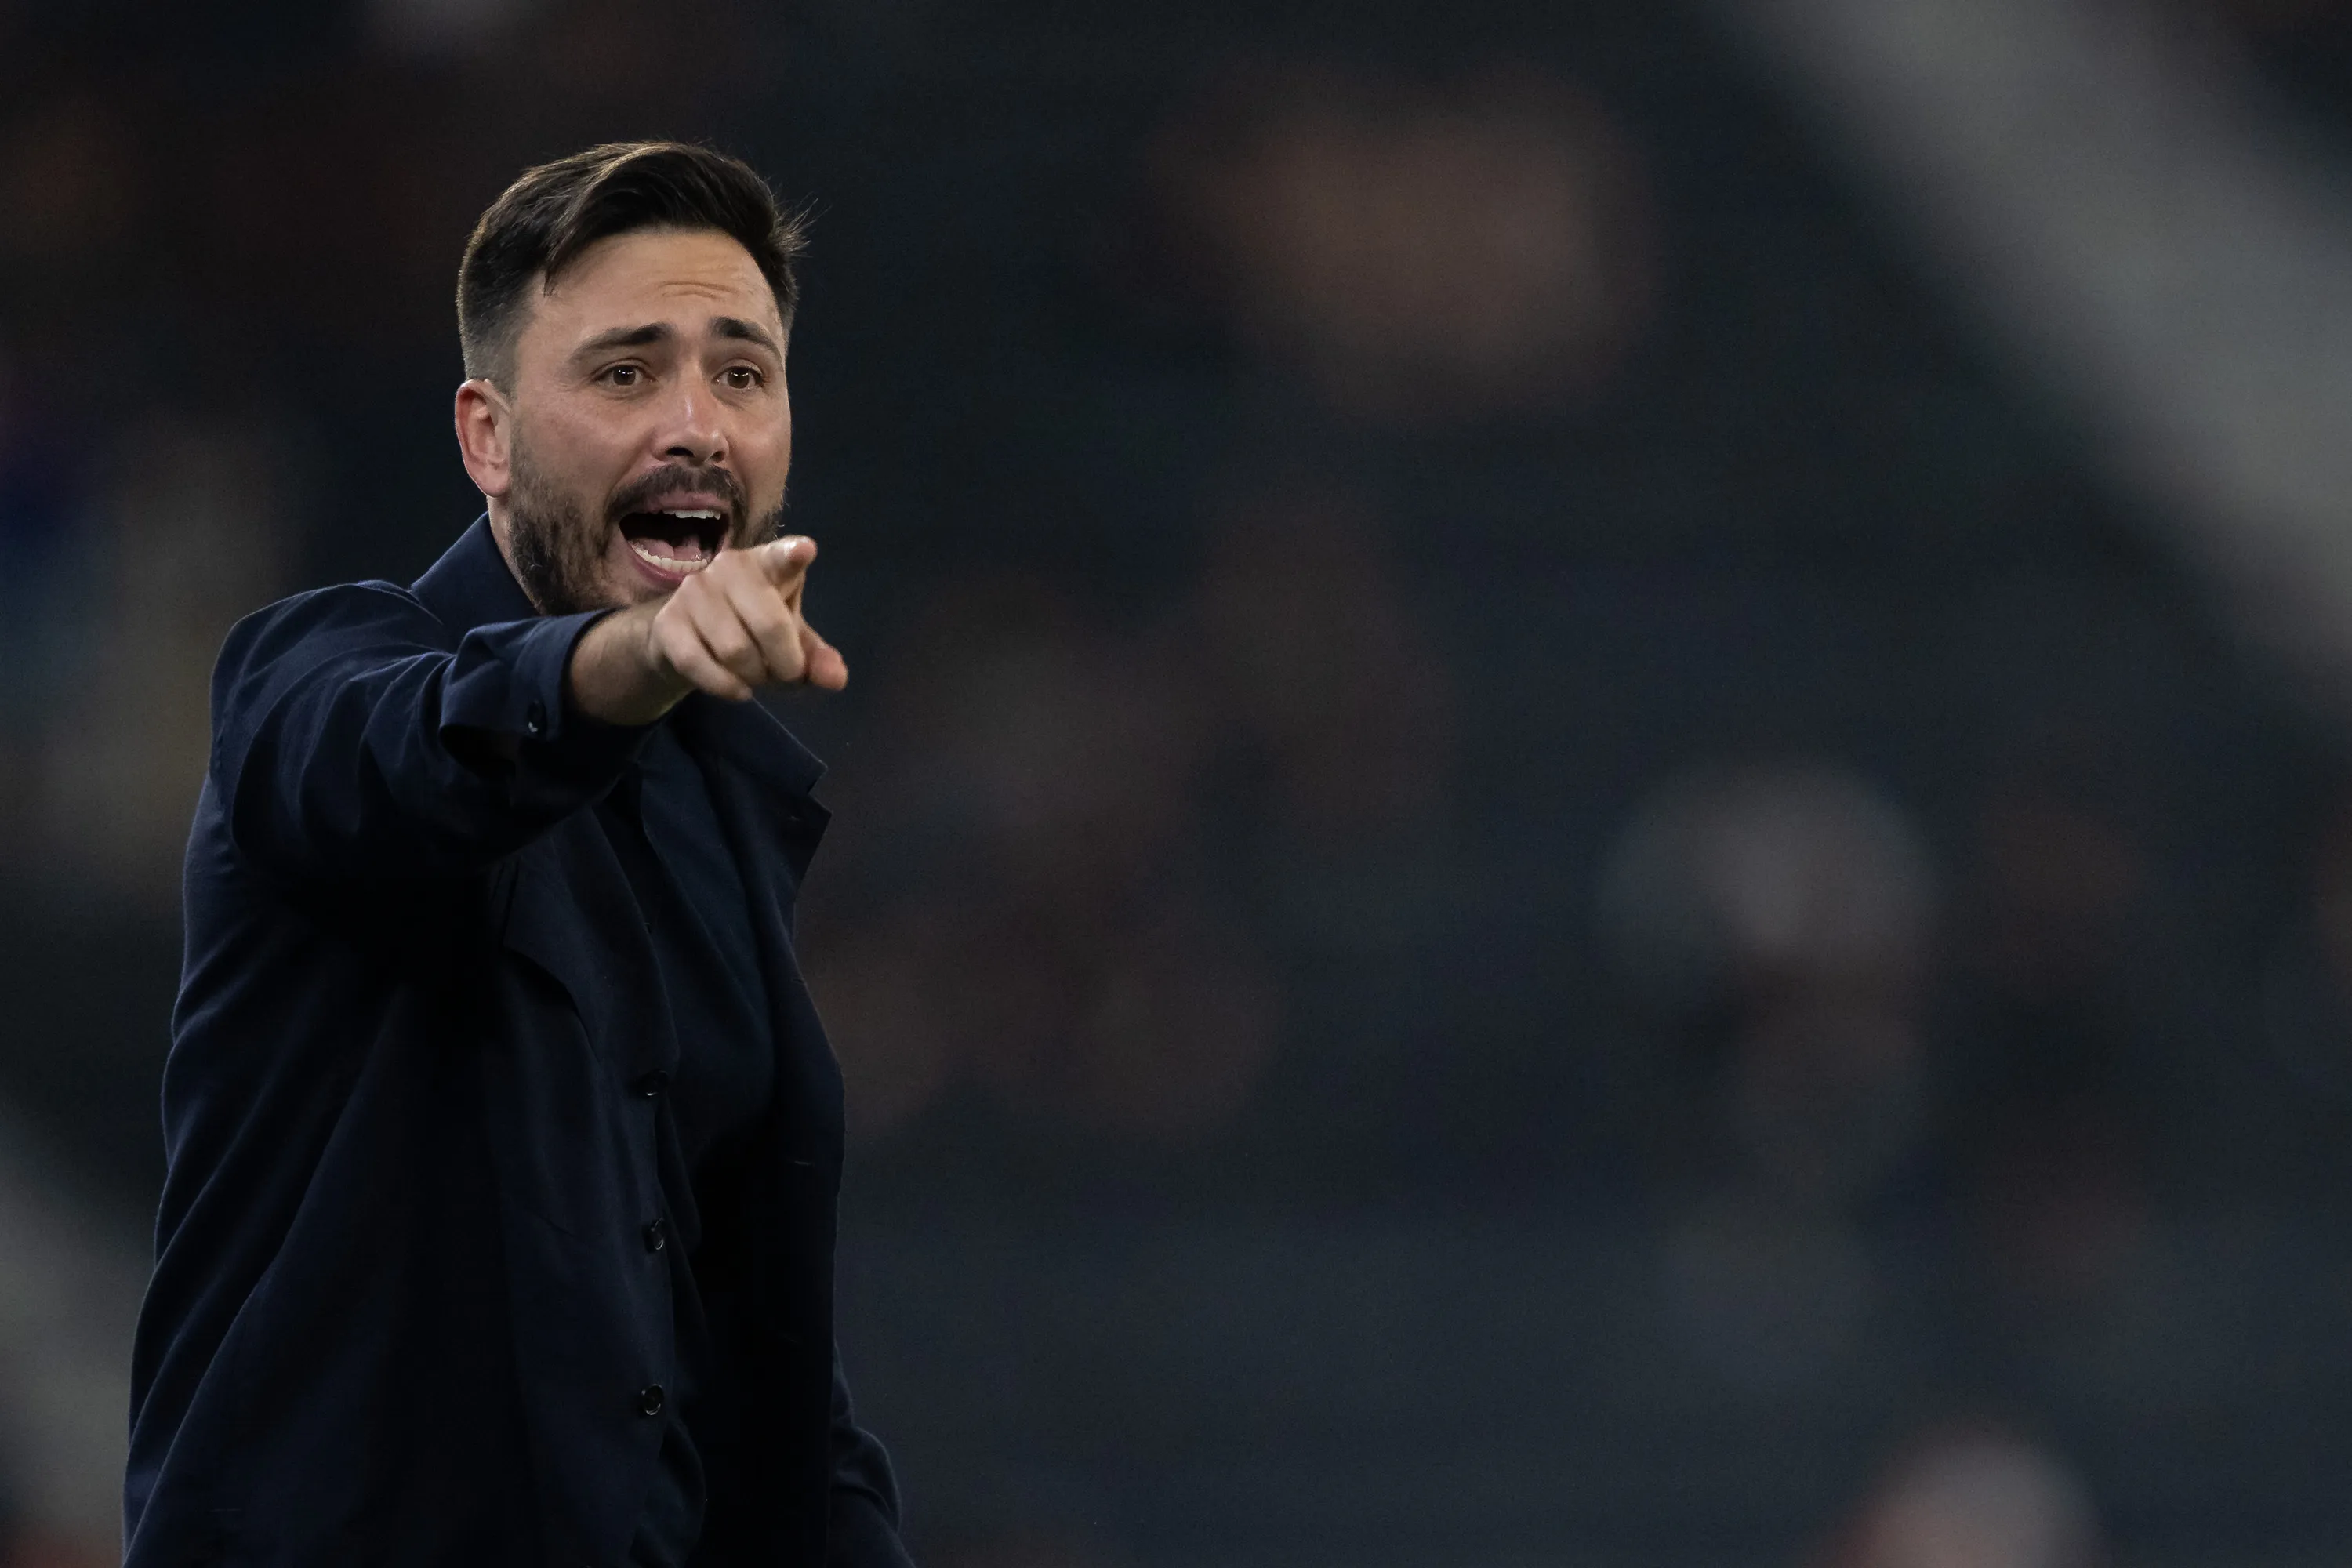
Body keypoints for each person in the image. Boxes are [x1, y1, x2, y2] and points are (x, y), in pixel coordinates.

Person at [122, 142, 913, 1567]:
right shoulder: (318, 678)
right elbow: (416, 754)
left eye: (742, 373)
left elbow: (755, 1374)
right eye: (625, 372)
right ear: (487, 438)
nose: (697, 425)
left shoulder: (726, 808)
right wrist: (629, 657)